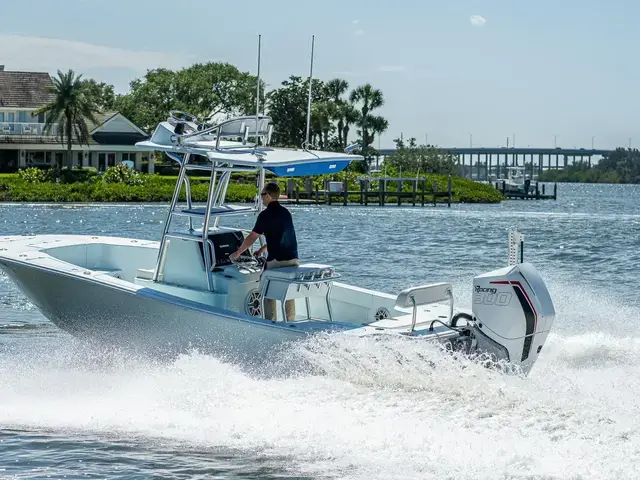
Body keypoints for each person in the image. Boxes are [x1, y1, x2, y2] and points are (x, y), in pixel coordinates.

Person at [229, 181, 299, 321]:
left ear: (268, 195)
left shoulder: (265, 215)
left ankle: (269, 320)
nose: (261, 197)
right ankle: (291, 320)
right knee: (288, 291)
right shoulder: (286, 213)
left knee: (267, 289)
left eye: (262, 194)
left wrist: (236, 254)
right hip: (293, 260)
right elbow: (281, 235)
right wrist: (263, 249)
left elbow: (252, 237)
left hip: (277, 261)